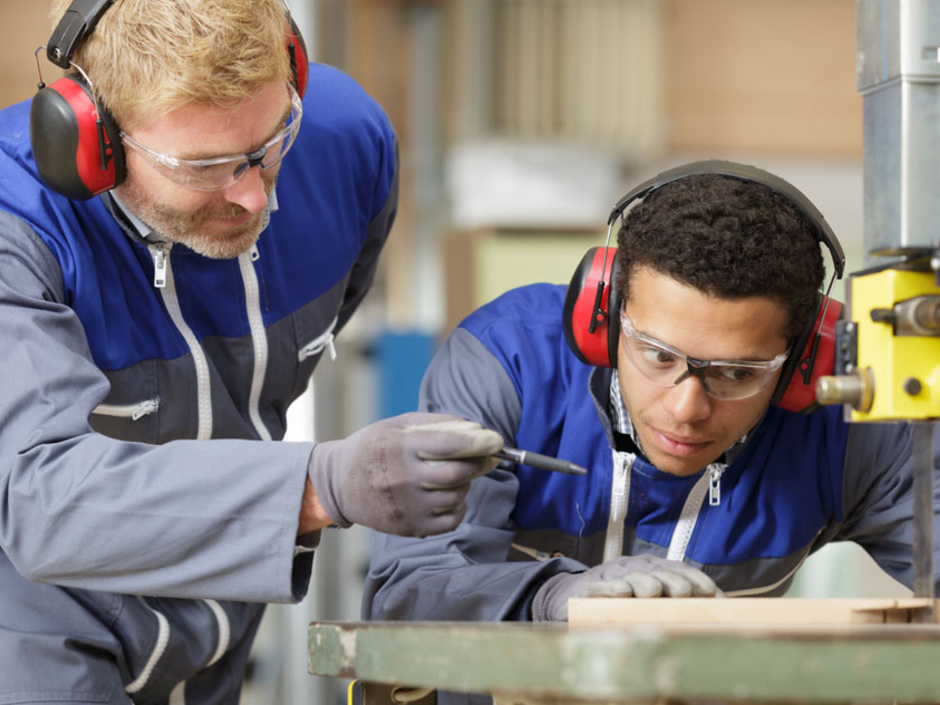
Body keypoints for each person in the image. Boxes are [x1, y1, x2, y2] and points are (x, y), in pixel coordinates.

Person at [0, 1, 503, 702]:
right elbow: (41, 498)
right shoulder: (15, 226)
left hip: (218, 621)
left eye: (266, 144)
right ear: (94, 142)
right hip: (34, 635)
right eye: (202, 165)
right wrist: (317, 483)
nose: (250, 196)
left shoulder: (345, 146)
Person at [364, 161, 939, 704]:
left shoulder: (848, 423)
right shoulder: (509, 363)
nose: (687, 409)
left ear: (802, 364)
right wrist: (546, 598)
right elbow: (406, 596)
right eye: (658, 356)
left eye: (737, 373)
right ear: (604, 317)